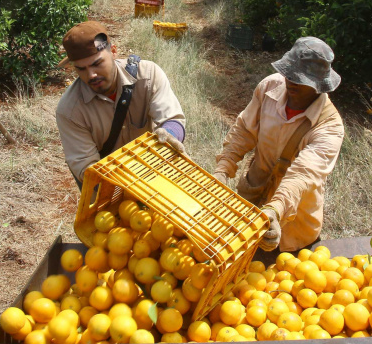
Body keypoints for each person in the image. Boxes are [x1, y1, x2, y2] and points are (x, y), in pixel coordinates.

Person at [213, 37, 345, 252]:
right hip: (250, 204)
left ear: (318, 85)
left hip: (293, 228)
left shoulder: (329, 127)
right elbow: (244, 131)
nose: (290, 81)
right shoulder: (269, 88)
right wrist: (223, 169)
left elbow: (302, 175)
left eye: (299, 79)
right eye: (289, 74)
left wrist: (274, 210)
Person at [56, 21, 187, 188]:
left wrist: (169, 134)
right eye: (81, 69)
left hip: (154, 172)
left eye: (97, 63)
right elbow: (86, 167)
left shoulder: (148, 76)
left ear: (113, 51)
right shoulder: (70, 110)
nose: (91, 75)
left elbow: (173, 119)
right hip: (108, 187)